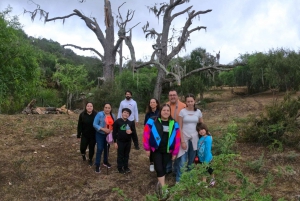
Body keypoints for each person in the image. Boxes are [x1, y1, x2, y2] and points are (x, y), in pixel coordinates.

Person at [143, 104, 181, 199]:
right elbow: (146, 134)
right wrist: (147, 148)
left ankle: (160, 182)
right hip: (156, 150)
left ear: (170, 112)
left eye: (168, 110)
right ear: (161, 111)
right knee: (159, 168)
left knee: (163, 168)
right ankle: (164, 188)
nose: (166, 112)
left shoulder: (174, 123)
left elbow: (177, 138)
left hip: (168, 151)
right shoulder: (152, 120)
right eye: (164, 110)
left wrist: (175, 152)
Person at [175, 93, 204, 183]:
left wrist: (206, 134)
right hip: (184, 137)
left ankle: (190, 179)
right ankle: (179, 180)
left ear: (194, 101)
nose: (190, 103)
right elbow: (180, 126)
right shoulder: (182, 112)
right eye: (188, 101)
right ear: (186, 102)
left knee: (191, 160)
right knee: (182, 161)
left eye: (191, 101)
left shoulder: (198, 112)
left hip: (195, 138)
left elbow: (201, 125)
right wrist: (182, 141)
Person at [165, 89, 186, 174]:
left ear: (177, 96)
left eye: (174, 95)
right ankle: (168, 169)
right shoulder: (165, 105)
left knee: (178, 152)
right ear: (168, 96)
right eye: (171, 95)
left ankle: (177, 169)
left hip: (179, 132)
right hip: (167, 132)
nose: (172, 97)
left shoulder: (183, 106)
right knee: (168, 151)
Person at [113, 108, 138, 174]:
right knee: (120, 155)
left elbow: (134, 133)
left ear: (129, 115)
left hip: (128, 142)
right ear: (122, 113)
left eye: (127, 113)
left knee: (126, 155)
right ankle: (120, 168)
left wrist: (131, 132)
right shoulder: (117, 122)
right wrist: (115, 142)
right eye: (124, 112)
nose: (126, 114)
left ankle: (126, 167)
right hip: (120, 141)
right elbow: (114, 132)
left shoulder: (130, 122)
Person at [93, 103, 116, 173]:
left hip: (109, 135)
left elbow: (115, 125)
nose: (107, 109)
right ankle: (97, 164)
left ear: (111, 109)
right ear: (103, 108)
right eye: (106, 107)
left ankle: (105, 162)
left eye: (109, 108)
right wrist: (103, 129)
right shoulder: (99, 114)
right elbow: (94, 124)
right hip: (100, 134)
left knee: (107, 148)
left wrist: (112, 130)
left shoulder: (113, 116)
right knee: (100, 148)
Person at [77, 102, 97, 166]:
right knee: (82, 148)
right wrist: (78, 135)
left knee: (91, 148)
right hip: (84, 135)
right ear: (86, 107)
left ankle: (90, 159)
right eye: (88, 106)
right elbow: (79, 125)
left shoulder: (96, 114)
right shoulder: (82, 114)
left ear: (93, 107)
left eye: (91, 106)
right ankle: (83, 154)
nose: (89, 107)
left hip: (93, 135)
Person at [196, 122, 215, 187]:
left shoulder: (208, 138)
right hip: (201, 158)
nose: (201, 131)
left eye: (202, 129)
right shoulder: (201, 138)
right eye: (199, 130)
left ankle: (213, 180)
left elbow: (208, 150)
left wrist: (206, 161)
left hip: (207, 158)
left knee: (210, 170)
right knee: (203, 170)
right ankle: (203, 182)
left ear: (205, 129)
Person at [144, 98, 160, 172]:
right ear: (149, 104)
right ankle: (151, 163)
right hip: (150, 134)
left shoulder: (160, 112)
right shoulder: (148, 114)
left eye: (154, 102)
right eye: (151, 102)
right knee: (151, 149)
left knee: (157, 148)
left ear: (156, 104)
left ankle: (158, 163)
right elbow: (145, 124)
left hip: (158, 133)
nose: (152, 103)